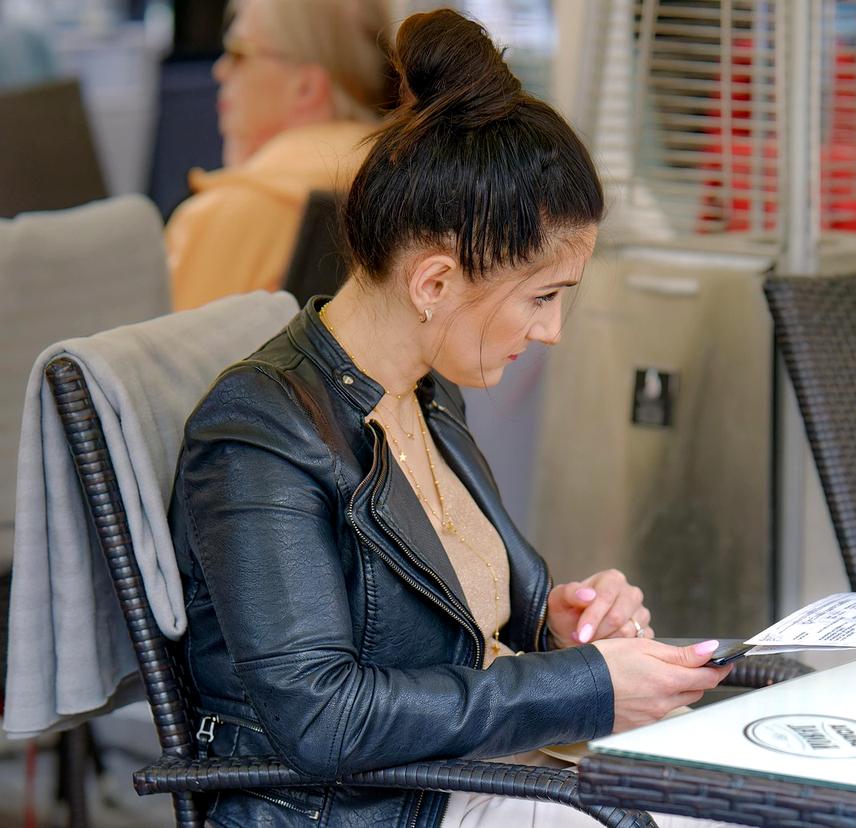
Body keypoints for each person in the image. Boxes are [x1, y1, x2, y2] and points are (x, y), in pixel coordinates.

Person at [170, 9, 732, 827]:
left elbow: (448, 624)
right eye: (541, 297)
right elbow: (322, 718)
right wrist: (583, 686)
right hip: (376, 808)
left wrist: (557, 627)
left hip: (477, 775)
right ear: (433, 283)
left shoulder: (424, 393)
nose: (552, 330)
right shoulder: (258, 435)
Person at [164, 0, 394, 311]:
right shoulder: (420, 192)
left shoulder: (224, 215)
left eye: (238, 53)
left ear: (306, 88)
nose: (220, 70)